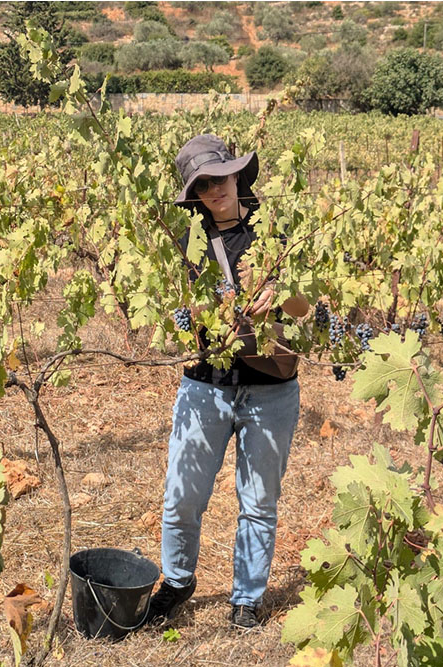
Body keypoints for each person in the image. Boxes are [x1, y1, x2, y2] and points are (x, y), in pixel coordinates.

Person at [145, 134, 307, 629]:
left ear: (237, 174)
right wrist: (196, 314)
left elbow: (310, 310)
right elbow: (173, 315)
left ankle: (247, 596)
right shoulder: (183, 239)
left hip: (271, 388)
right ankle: (177, 581)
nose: (215, 189)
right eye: (203, 183)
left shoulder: (275, 232)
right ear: (193, 192)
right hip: (204, 385)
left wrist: (282, 293)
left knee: (259, 501)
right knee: (181, 498)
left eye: (221, 177)